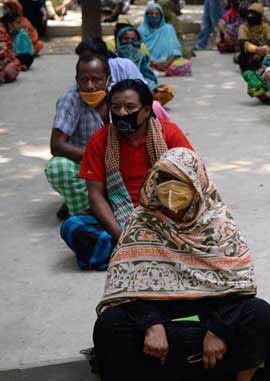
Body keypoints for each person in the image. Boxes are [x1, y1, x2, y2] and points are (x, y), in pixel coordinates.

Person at [92, 147, 270, 381]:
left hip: (210, 320)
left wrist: (218, 329)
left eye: (180, 184)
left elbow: (240, 286)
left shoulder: (219, 224)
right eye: (163, 182)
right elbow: (124, 286)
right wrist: (151, 323)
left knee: (259, 312)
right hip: (159, 324)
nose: (170, 193)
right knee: (110, 323)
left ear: (197, 186)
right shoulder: (142, 222)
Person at [60, 79, 192, 271]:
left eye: (130, 107)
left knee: (210, 223)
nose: (122, 113)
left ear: (146, 110)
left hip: (164, 212)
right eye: (116, 107)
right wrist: (121, 235)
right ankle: (151, 251)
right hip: (119, 214)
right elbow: (95, 195)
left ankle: (130, 253)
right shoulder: (100, 140)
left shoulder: (168, 133)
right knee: (72, 227)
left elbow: (190, 179)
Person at [45, 55, 112, 219]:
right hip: (86, 164)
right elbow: (57, 145)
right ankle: (85, 214)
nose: (90, 86)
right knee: (58, 167)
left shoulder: (119, 96)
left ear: (108, 80)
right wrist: (96, 157)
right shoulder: (70, 99)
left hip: (118, 161)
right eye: (84, 80)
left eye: (96, 80)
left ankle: (85, 201)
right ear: (77, 80)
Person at [115, 26, 176, 106]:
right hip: (119, 84)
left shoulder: (141, 55)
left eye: (133, 39)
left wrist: (152, 86)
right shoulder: (114, 56)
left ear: (138, 41)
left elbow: (147, 73)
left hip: (140, 83)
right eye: (126, 39)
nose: (130, 42)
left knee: (167, 91)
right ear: (119, 40)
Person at [139, 2, 192, 77]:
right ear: (146, 16)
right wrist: (154, 63)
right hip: (149, 63)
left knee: (186, 65)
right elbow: (139, 52)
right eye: (151, 14)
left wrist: (167, 63)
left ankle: (159, 71)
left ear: (161, 16)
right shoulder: (141, 30)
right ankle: (157, 71)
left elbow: (175, 49)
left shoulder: (168, 28)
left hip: (168, 62)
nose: (154, 16)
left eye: (157, 14)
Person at [237, 3, 270, 75]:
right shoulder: (243, 27)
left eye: (254, 14)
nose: (250, 16)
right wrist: (256, 50)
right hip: (249, 52)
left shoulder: (266, 27)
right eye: (249, 13)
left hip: (264, 51)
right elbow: (242, 42)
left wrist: (260, 53)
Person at [0, 18, 22, 83]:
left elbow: (5, 54)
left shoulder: (1, 32)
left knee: (9, 71)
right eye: (17, 23)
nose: (20, 25)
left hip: (4, 62)